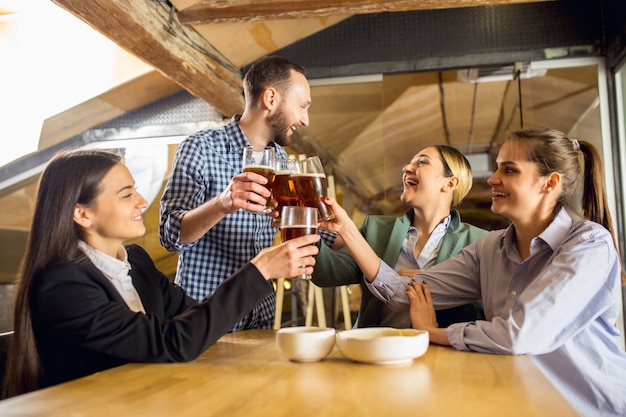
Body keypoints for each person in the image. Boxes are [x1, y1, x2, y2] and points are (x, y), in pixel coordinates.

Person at [321, 128, 626, 417]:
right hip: (522, 403)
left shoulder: (589, 245)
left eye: (509, 170)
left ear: (550, 183)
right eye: (496, 168)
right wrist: (348, 228)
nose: (492, 179)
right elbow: (405, 292)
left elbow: (519, 335)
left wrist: (433, 333)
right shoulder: (489, 249)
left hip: (588, 409)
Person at [1, 149, 320, 399]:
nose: (142, 201)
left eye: (136, 190)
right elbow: (172, 343)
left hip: (150, 398)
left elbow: (195, 320)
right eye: (126, 194)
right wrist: (260, 270)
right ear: (82, 213)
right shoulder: (62, 287)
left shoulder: (136, 262)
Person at [159, 55, 336, 332]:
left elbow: (323, 232)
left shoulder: (284, 163)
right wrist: (223, 203)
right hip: (203, 320)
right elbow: (169, 236)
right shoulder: (201, 148)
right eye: (302, 106)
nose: (305, 120)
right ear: (271, 99)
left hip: (261, 318)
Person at [312, 145, 488, 328]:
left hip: (443, 353)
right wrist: (303, 223)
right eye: (410, 162)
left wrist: (429, 280)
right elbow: (328, 273)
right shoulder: (376, 229)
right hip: (379, 349)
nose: (406, 168)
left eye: (422, 162)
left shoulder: (480, 242)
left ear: (449, 183)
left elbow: (487, 307)